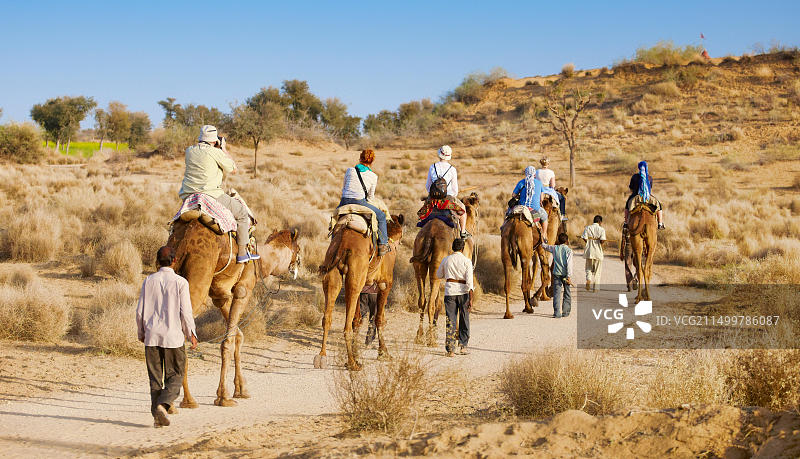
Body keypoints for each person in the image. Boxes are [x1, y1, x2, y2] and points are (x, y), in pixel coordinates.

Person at [136, 246, 198, 428]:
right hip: (173, 338)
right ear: (174, 261)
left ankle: (157, 415)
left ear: (157, 262)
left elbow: (140, 312)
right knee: (176, 375)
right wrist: (191, 334)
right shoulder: (181, 283)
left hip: (152, 337)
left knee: (155, 379)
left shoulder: (148, 281)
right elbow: (186, 312)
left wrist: (141, 333)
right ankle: (163, 406)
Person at [179, 125, 258, 263]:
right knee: (241, 213)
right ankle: (242, 253)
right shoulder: (215, 152)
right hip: (210, 195)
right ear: (215, 141)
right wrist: (223, 149)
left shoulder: (189, 151)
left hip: (189, 196)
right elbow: (233, 169)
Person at [339, 149, 391, 256]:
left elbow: (344, 187)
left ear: (360, 158)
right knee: (381, 216)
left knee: (334, 219)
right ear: (372, 161)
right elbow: (370, 197)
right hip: (359, 202)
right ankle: (383, 245)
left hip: (344, 201)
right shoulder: (373, 176)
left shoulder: (350, 170)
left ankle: (332, 241)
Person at [436, 238, 474, 357]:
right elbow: (470, 282)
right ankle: (463, 346)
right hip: (463, 292)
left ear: (453, 248)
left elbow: (438, 275)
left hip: (450, 292)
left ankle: (451, 349)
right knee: (464, 318)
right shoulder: (467, 261)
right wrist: (471, 298)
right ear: (462, 249)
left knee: (450, 319)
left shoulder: (446, 259)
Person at [425, 145, 469, 238]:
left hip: (433, 200)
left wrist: (433, 194)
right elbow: (455, 190)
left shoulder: (432, 167)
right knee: (463, 211)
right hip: (447, 200)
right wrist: (451, 195)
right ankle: (463, 232)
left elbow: (428, 186)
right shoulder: (452, 169)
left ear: (439, 155)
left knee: (423, 214)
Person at [511, 166, 549, 242]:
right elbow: (541, 199)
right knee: (545, 216)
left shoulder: (521, 182)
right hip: (535, 209)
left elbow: (513, 195)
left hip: (522, 207)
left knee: (509, 213)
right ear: (534, 174)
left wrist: (521, 196)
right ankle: (544, 234)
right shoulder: (539, 183)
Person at [625, 160, 665, 230]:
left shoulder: (634, 177)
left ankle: (626, 223)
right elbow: (650, 188)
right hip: (648, 197)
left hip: (636, 197)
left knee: (627, 206)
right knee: (659, 206)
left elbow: (631, 187)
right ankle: (660, 223)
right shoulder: (649, 177)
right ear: (646, 168)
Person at [541, 233, 573, 318]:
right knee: (567, 293)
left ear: (558, 241)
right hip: (565, 275)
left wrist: (543, 238)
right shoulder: (569, 251)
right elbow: (569, 265)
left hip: (556, 274)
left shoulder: (555, 248)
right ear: (567, 241)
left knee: (557, 294)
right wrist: (569, 276)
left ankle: (557, 313)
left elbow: (545, 246)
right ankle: (565, 312)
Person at [581, 215, 607, 292]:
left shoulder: (587, 228)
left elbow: (584, 237)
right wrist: (599, 241)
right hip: (598, 252)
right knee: (597, 270)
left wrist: (589, 242)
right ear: (600, 222)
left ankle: (588, 279)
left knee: (588, 268)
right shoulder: (601, 229)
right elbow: (602, 241)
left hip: (589, 251)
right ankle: (595, 288)